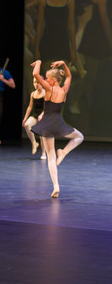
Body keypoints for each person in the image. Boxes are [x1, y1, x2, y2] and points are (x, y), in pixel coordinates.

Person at [30, 60, 84, 198]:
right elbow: (69, 76)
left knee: (51, 156)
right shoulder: (64, 90)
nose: (46, 81)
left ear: (53, 81)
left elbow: (35, 73)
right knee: (79, 137)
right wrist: (64, 64)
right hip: (58, 122)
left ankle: (56, 186)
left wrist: (39, 62)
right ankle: (64, 153)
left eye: (47, 79)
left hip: (47, 124)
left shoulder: (49, 89)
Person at [22, 77, 46, 158]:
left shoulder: (45, 93)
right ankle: (34, 143)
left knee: (42, 134)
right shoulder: (33, 94)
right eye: (34, 82)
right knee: (27, 125)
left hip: (44, 116)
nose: (36, 84)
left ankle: (43, 153)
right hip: (36, 115)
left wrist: (42, 115)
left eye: (38, 82)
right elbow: (30, 107)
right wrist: (25, 118)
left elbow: (47, 107)